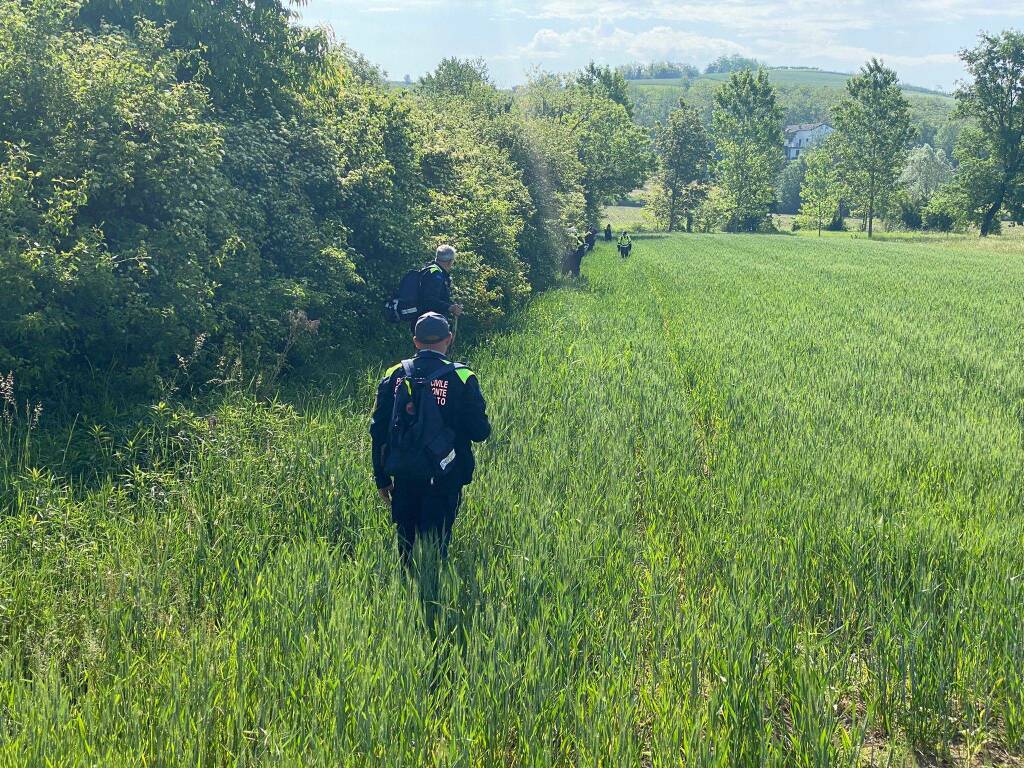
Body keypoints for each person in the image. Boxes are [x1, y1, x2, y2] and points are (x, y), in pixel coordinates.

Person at [370, 312, 491, 564]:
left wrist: (381, 477)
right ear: (449, 338)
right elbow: (480, 432)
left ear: (415, 341)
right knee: (437, 547)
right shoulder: (462, 376)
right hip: (447, 474)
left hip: (404, 472)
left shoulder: (394, 374)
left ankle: (405, 594)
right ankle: (434, 593)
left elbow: (378, 430)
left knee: (406, 549)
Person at [415, 245, 464, 330]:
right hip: (430, 323)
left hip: (423, 321)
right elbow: (429, 300)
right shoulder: (436, 275)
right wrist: (451, 308)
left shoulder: (429, 269)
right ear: (450, 261)